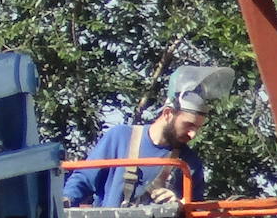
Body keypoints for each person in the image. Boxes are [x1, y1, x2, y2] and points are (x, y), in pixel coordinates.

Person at [63, 65, 234, 208]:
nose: (193, 133)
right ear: (168, 113)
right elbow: (84, 179)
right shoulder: (120, 137)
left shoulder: (189, 164)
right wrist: (65, 201)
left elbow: (194, 208)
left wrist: (178, 205)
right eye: (188, 125)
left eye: (197, 127)